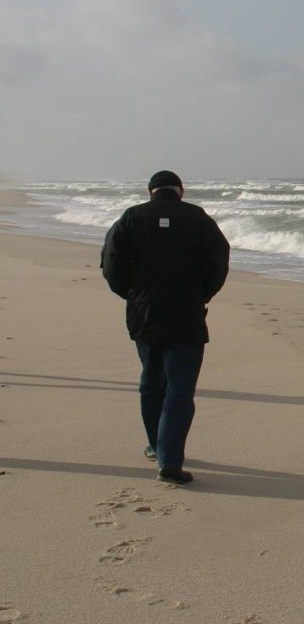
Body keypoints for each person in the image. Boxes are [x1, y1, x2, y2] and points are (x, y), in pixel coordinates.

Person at [101, 171, 230, 484]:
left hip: (145, 313)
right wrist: (202, 294)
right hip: (187, 312)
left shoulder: (132, 218)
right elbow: (219, 261)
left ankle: (157, 449)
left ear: (151, 192)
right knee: (180, 389)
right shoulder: (199, 218)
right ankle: (169, 460)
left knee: (152, 381)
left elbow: (111, 263)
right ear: (180, 191)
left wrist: (132, 295)